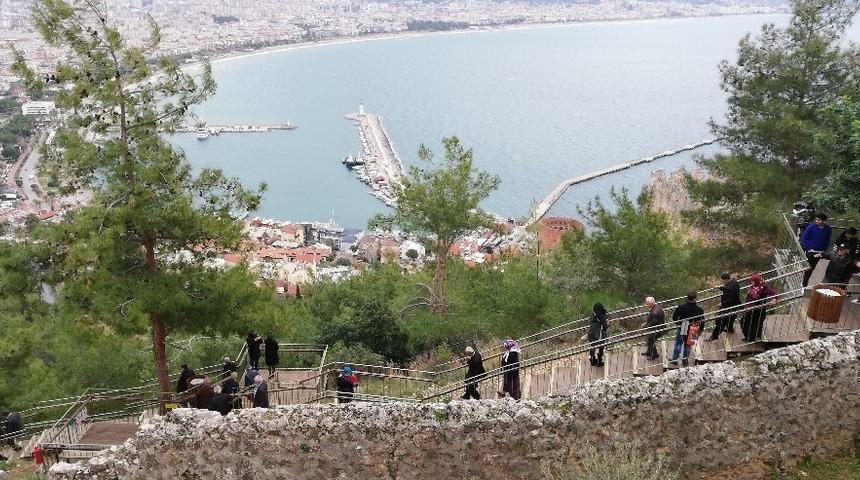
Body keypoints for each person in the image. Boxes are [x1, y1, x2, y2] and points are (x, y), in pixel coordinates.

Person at [670, 292, 705, 367]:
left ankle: (675, 359)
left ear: (687, 298)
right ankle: (685, 361)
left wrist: (678, 324)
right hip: (694, 327)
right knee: (688, 344)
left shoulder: (681, 307)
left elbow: (674, 317)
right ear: (695, 299)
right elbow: (702, 320)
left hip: (684, 326)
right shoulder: (699, 309)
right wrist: (701, 329)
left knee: (679, 343)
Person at [740, 274, 777, 342]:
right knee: (747, 323)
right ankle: (750, 337)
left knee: (752, 323)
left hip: (758, 310)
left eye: (753, 281)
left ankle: (751, 338)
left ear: (756, 281)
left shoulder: (763, 288)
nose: (751, 282)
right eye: (751, 281)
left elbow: (773, 293)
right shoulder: (754, 287)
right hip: (750, 309)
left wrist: (774, 299)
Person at [708, 272, 741, 342]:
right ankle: (730, 329)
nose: (722, 282)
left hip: (729, 307)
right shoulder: (733, 282)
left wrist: (722, 304)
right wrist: (720, 287)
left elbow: (730, 299)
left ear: (725, 280)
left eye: (722, 281)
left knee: (720, 321)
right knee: (731, 318)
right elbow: (727, 289)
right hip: (734, 306)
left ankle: (714, 336)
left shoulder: (730, 288)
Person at [801, 213, 832, 286]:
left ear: (824, 221)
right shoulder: (810, 227)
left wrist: (824, 249)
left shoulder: (828, 229)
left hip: (820, 252)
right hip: (810, 251)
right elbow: (804, 239)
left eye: (819, 220)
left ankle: (808, 283)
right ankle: (804, 284)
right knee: (809, 268)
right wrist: (808, 249)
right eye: (816, 219)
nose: (817, 221)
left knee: (813, 267)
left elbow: (827, 240)